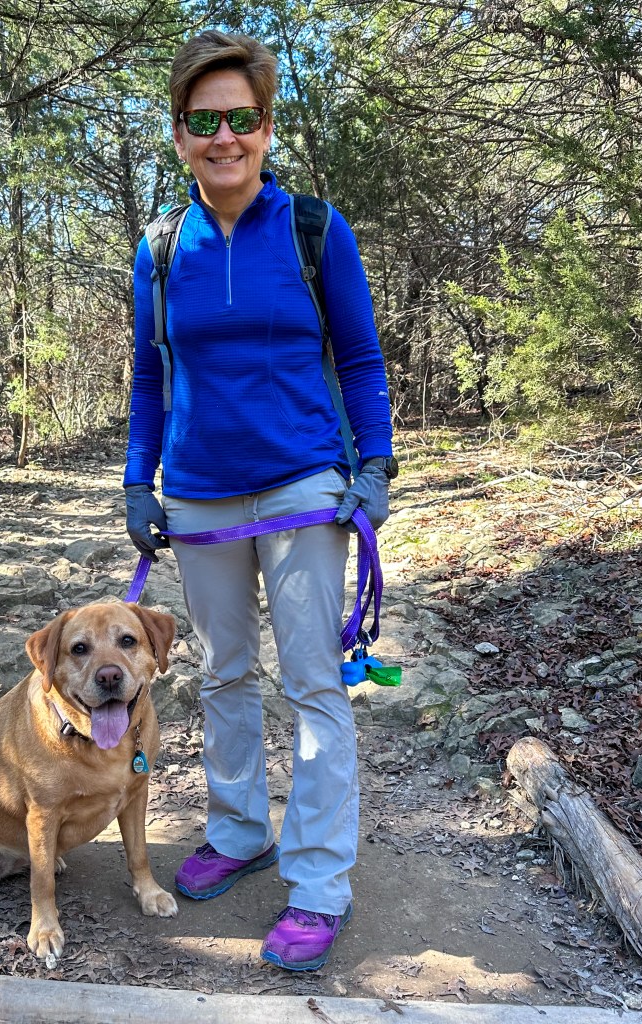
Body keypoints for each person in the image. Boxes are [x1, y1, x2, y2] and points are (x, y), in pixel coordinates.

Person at [123, 29, 395, 972]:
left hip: (303, 486)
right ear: (181, 133)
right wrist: (135, 477)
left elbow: (360, 360)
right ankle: (240, 831)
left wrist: (375, 470)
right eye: (207, 121)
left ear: (267, 128)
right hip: (196, 494)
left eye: (243, 119)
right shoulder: (159, 250)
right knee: (223, 675)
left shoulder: (315, 229)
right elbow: (149, 378)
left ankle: (319, 882)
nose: (225, 136)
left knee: (315, 681)